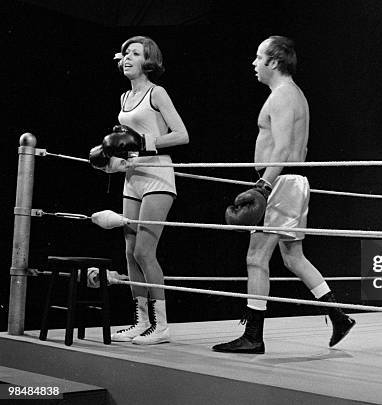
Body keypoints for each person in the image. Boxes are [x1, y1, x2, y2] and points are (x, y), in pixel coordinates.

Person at [213, 36, 355, 354]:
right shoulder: (293, 94)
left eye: (258, 56)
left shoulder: (282, 96)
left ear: (273, 61)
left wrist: (263, 185)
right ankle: (339, 317)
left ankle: (253, 335)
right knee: (293, 257)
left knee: (256, 257)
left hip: (279, 181)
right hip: (292, 182)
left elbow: (281, 147)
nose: (253, 63)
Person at [90, 36, 189, 345]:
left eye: (136, 53)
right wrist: (115, 162)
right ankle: (140, 321)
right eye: (126, 52)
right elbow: (125, 143)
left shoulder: (156, 93)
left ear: (148, 60)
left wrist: (145, 143)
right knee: (130, 252)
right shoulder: (124, 98)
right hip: (133, 175)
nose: (128, 57)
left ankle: (161, 327)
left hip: (158, 174)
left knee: (145, 250)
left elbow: (182, 135)